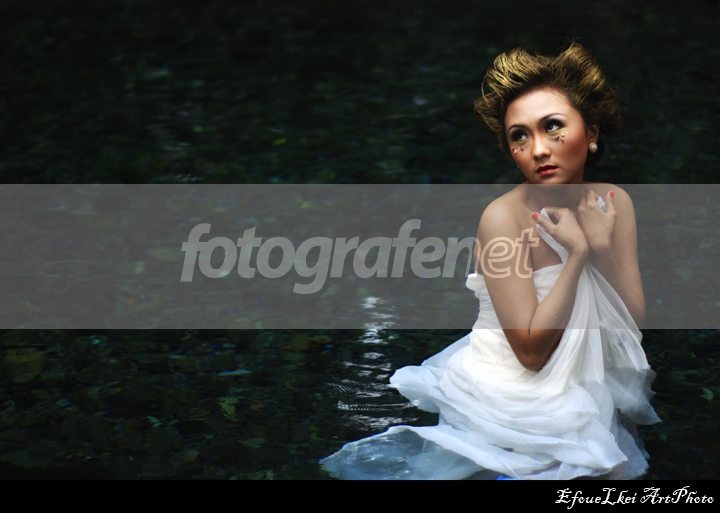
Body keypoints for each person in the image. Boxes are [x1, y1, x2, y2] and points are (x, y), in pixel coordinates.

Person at [321, 42, 660, 480]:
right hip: (514, 394)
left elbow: (633, 322)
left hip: (587, 381)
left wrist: (599, 248)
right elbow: (530, 353)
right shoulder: (503, 219)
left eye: (553, 127)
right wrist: (577, 256)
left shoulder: (614, 203)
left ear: (590, 132)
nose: (538, 149)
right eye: (520, 135)